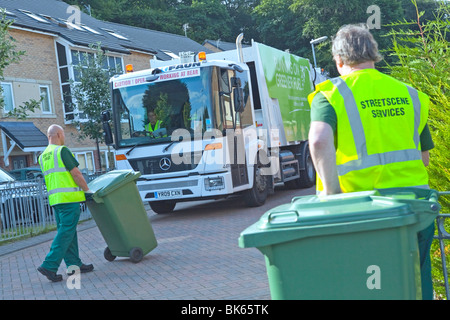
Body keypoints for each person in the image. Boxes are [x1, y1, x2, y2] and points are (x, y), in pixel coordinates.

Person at [308, 24, 435, 299]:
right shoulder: (410, 94)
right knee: (415, 286)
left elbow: (318, 141)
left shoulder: (330, 94)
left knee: (368, 290)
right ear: (374, 55)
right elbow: (424, 159)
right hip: (417, 208)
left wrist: (331, 195)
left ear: (339, 60)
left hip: (362, 214)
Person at [37, 124, 94, 282]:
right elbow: (75, 173)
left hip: (55, 201)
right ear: (59, 135)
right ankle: (49, 265)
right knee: (66, 233)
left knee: (68, 232)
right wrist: (87, 190)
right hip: (69, 200)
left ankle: (73, 265)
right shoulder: (62, 151)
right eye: (64, 136)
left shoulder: (42, 156)